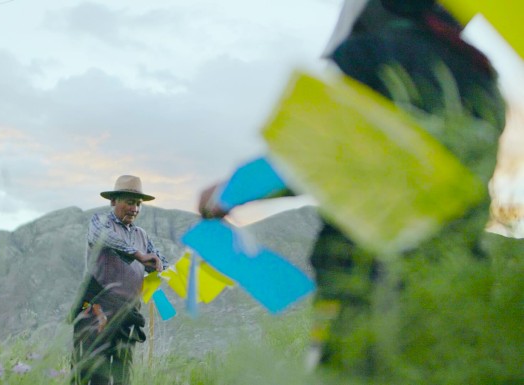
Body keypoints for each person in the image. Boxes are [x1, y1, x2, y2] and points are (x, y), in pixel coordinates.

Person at [198, 0, 507, 379]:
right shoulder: (484, 78)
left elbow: (316, 153)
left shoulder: (372, 53)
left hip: (364, 279)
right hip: (456, 280)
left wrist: (226, 192)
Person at [70, 175, 168, 385]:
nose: (135, 209)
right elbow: (105, 238)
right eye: (130, 202)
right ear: (114, 201)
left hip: (127, 314)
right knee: (91, 372)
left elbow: (160, 259)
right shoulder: (100, 222)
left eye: (138, 204)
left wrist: (158, 264)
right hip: (97, 311)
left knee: (123, 374)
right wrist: (139, 255)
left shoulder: (141, 234)